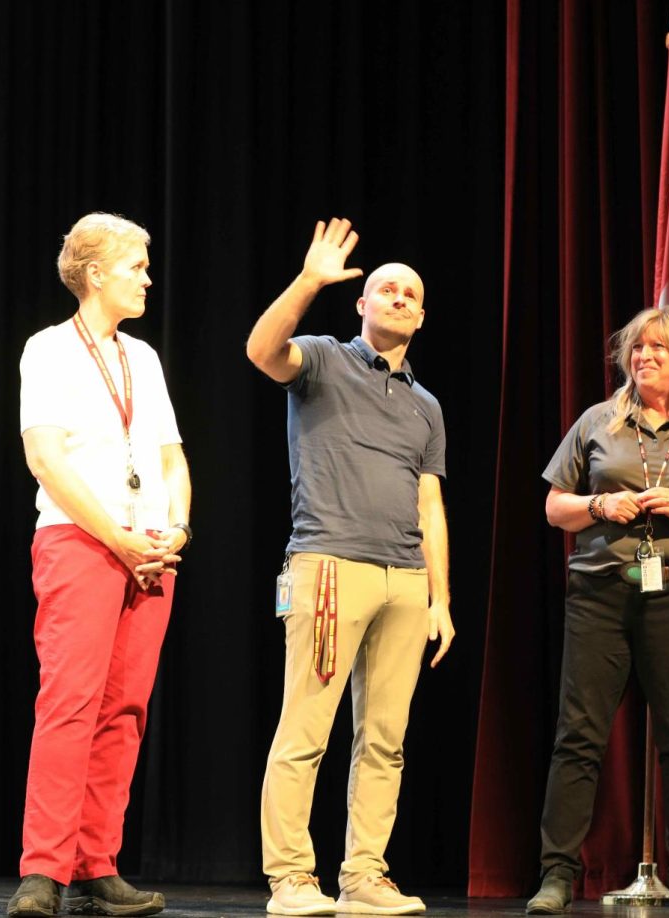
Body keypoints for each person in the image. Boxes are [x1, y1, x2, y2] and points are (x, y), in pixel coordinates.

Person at [246, 218, 452, 916]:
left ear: (421, 318)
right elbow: (261, 350)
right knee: (306, 729)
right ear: (361, 303)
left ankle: (365, 876)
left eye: (409, 294)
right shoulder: (324, 359)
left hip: (405, 580)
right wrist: (309, 279)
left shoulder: (426, 406)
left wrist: (441, 599)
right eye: (383, 288)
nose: (397, 298)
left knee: (384, 741)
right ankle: (292, 879)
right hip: (329, 566)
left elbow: (431, 506)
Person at [526, 306, 669, 917]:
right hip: (601, 591)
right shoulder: (598, 421)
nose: (643, 357)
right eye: (636, 349)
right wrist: (602, 506)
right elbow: (555, 508)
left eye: (657, 348)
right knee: (578, 736)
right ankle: (556, 875)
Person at [9, 213, 191, 918]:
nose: (147, 277)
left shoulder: (142, 358)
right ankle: (43, 871)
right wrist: (116, 537)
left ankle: (95, 864)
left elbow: (172, 457)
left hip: (151, 549)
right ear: (95, 274)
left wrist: (175, 526)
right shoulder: (49, 350)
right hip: (82, 541)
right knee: (70, 703)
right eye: (136, 266)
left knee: (124, 711)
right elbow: (45, 458)